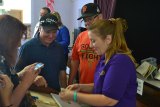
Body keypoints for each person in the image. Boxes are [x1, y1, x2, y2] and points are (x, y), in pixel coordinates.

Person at [59, 18, 137, 107]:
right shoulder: (105, 58)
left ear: (108, 39)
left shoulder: (121, 62)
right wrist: (80, 86)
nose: (91, 45)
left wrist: (75, 96)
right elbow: (102, 85)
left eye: (93, 41)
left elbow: (109, 100)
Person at [0, 15, 46, 107]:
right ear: (9, 39)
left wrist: (21, 74)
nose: (19, 44)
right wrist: (26, 82)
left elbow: (8, 80)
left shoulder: (3, 57)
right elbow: (8, 103)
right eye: (18, 38)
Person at [15, 13, 67, 92]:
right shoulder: (27, 47)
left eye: (54, 32)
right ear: (39, 29)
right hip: (34, 92)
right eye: (47, 32)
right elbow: (17, 73)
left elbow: (62, 71)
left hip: (54, 92)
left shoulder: (59, 48)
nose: (51, 35)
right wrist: (34, 78)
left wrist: (64, 90)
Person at [68, 3, 102, 85]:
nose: (86, 23)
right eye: (85, 20)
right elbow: (75, 61)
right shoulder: (81, 36)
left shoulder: (109, 37)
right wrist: (70, 82)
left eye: (89, 19)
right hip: (83, 87)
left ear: (100, 17)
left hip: (102, 90)